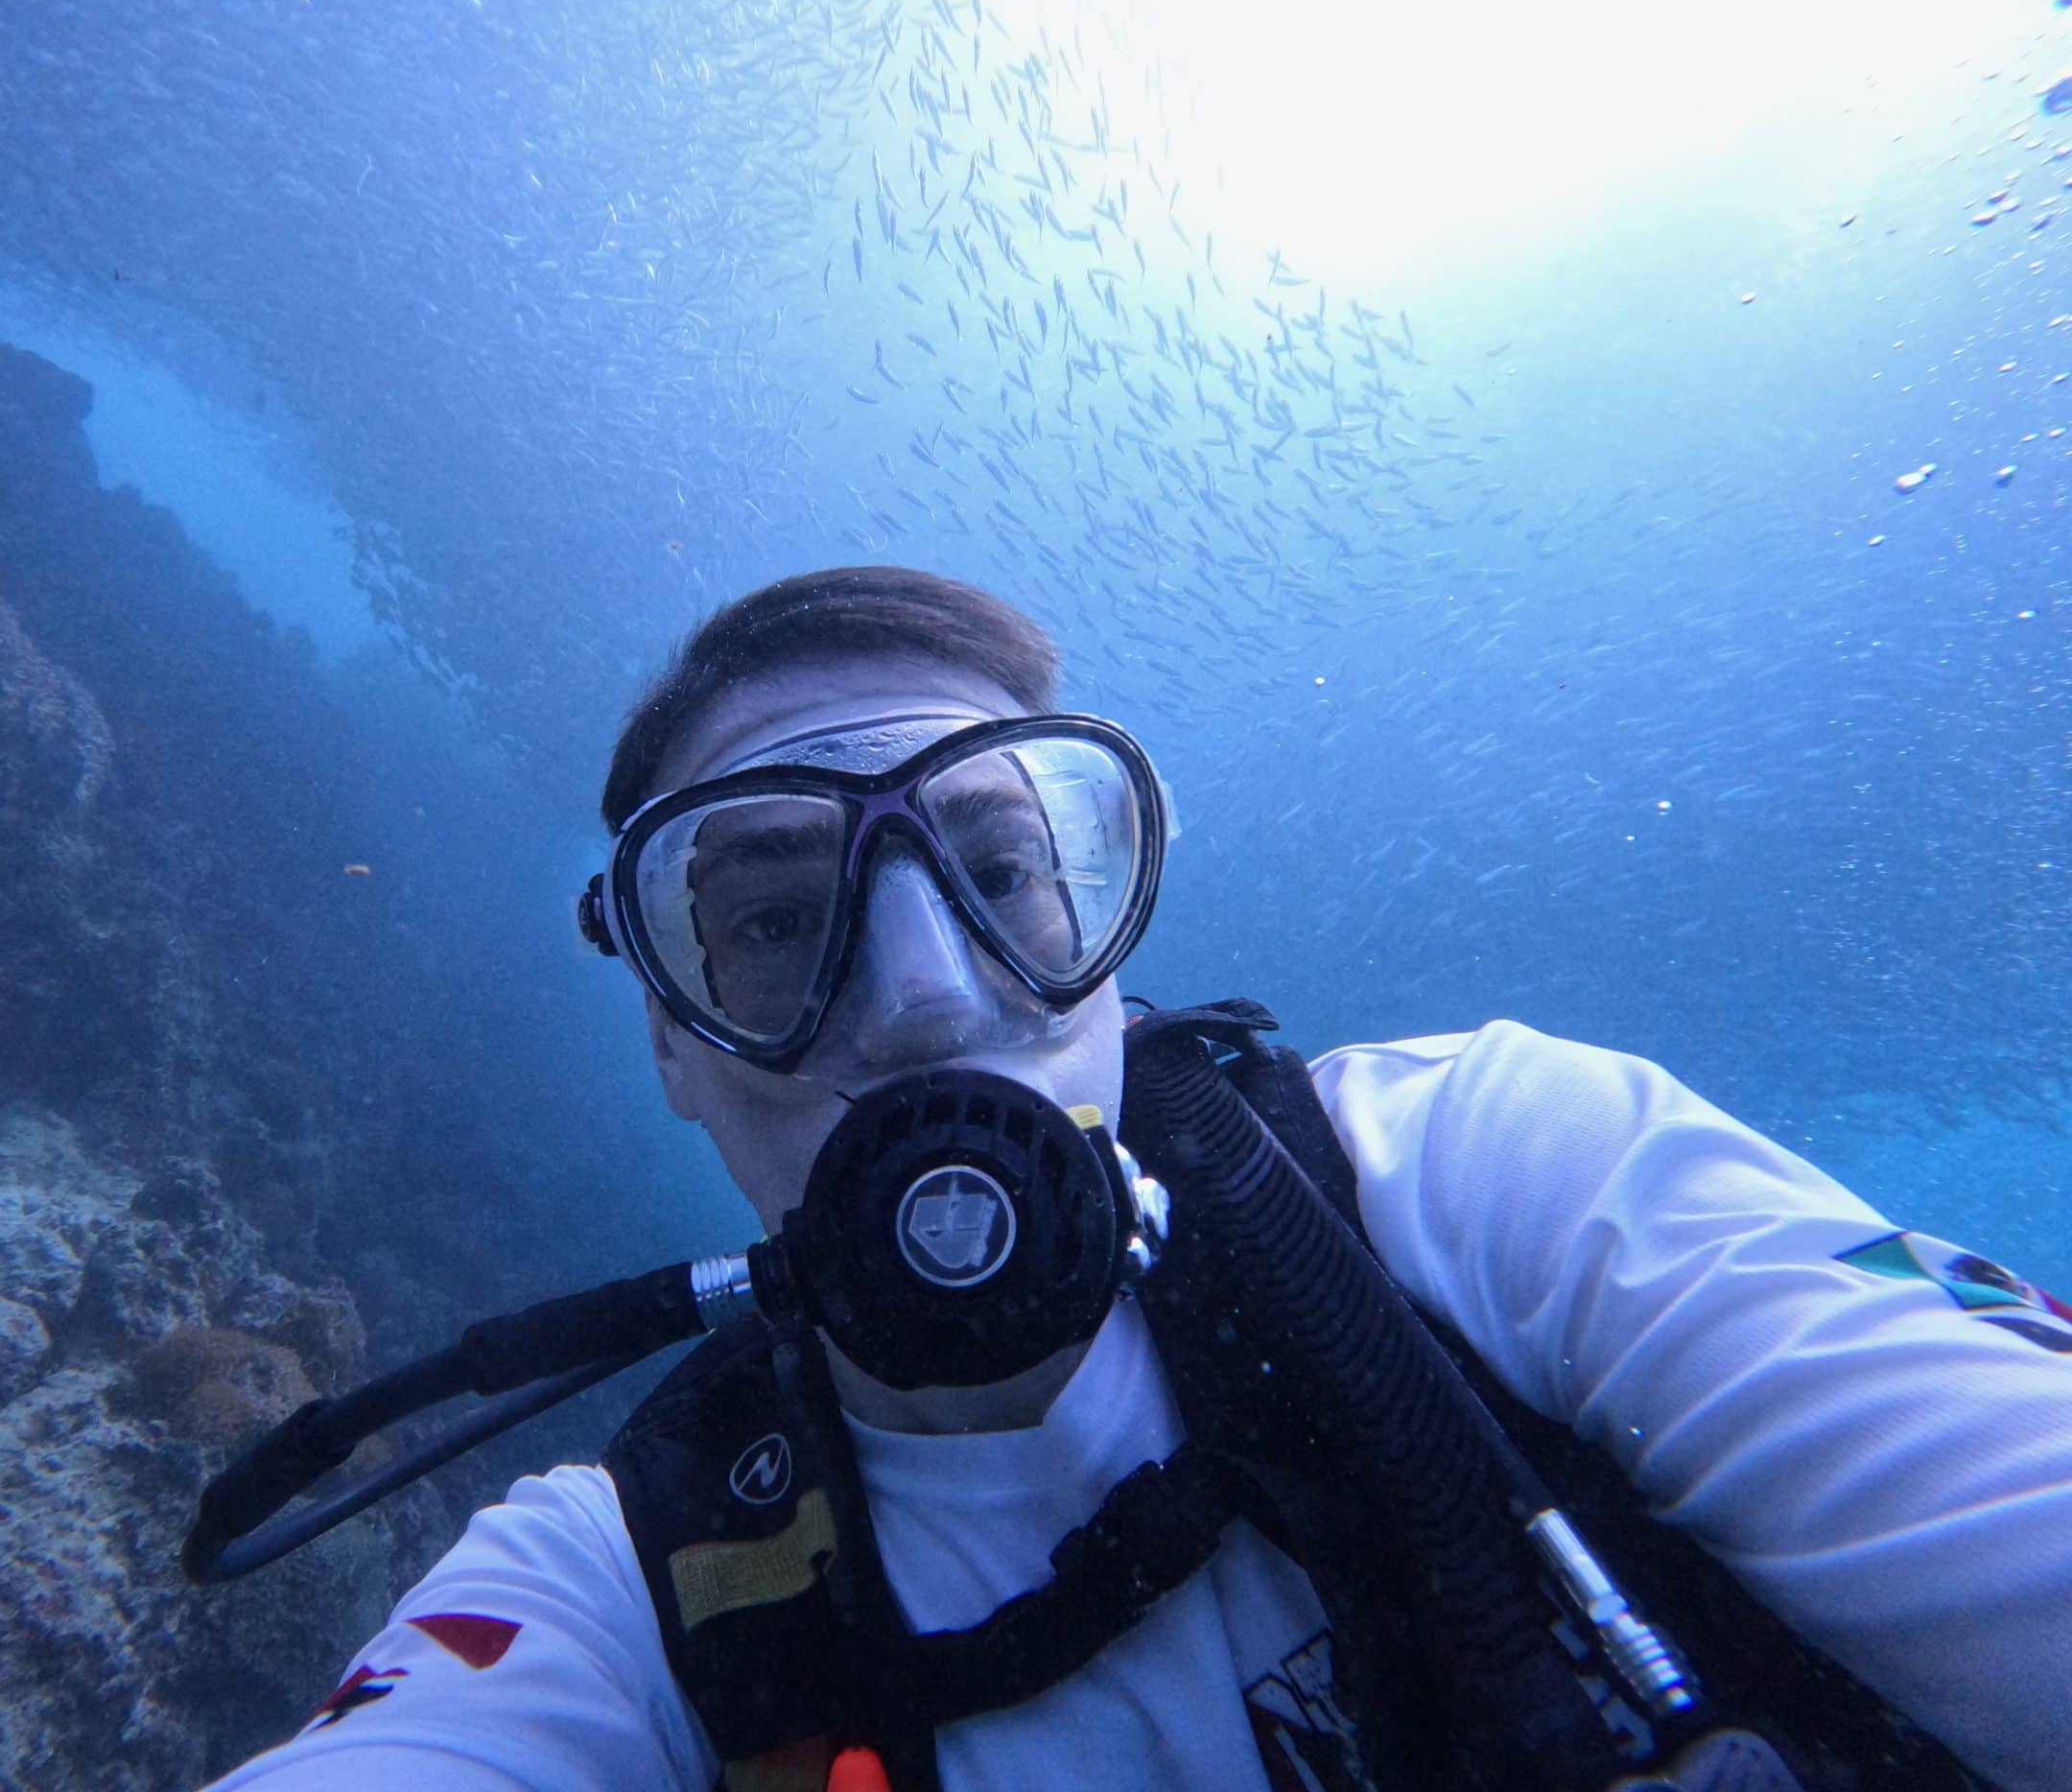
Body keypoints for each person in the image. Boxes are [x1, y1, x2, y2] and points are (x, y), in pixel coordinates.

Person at [206, 568, 2072, 1792]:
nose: (926, 996)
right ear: (675, 1047)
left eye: (1003, 876)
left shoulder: (1502, 1186)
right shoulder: (627, 1580)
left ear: (1106, 954)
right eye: (773, 918)